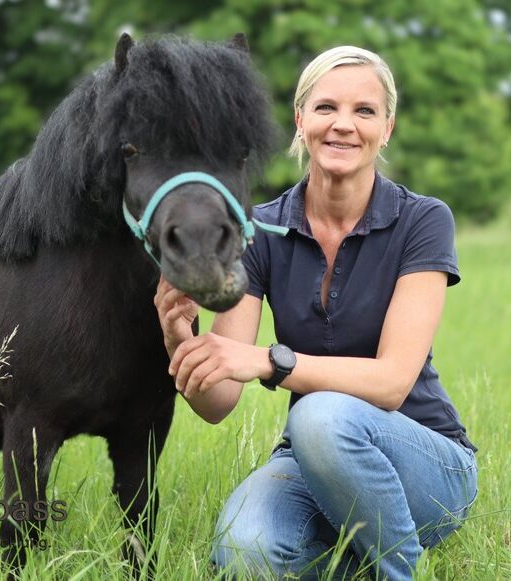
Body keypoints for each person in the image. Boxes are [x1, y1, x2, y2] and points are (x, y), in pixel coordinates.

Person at [154, 45, 477, 580]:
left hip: (425, 459)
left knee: (318, 414)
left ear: (388, 127)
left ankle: (397, 570)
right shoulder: (258, 231)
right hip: (310, 459)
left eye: (364, 111)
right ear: (301, 121)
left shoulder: (422, 220)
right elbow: (217, 404)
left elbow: (394, 383)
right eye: (326, 108)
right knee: (246, 554)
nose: (343, 125)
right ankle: (355, 555)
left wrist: (270, 362)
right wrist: (180, 338)